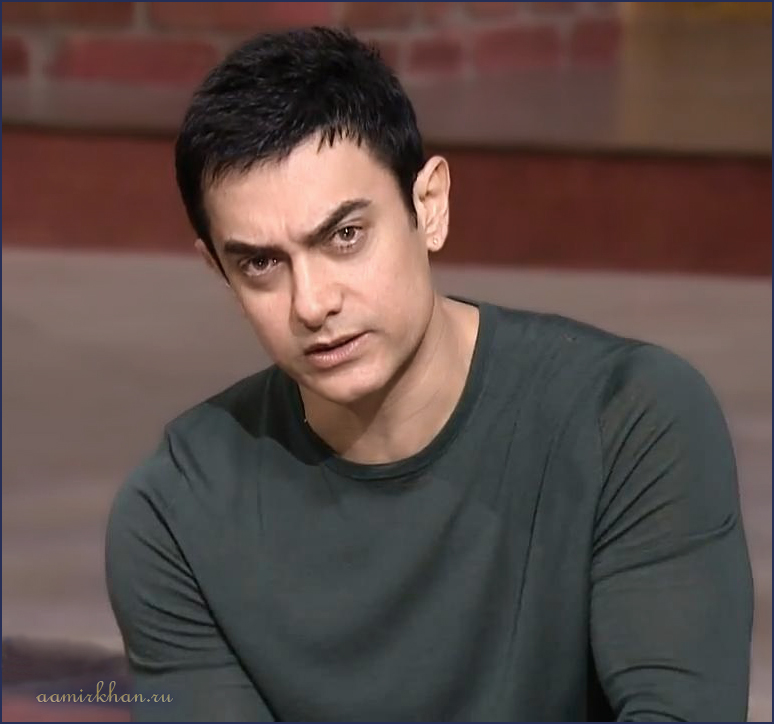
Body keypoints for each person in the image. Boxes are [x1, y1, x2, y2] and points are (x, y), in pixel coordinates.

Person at [105, 26, 754, 722]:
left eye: (345, 236)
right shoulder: (176, 513)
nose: (312, 304)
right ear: (219, 271)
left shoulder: (629, 422)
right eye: (261, 264)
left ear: (430, 206)